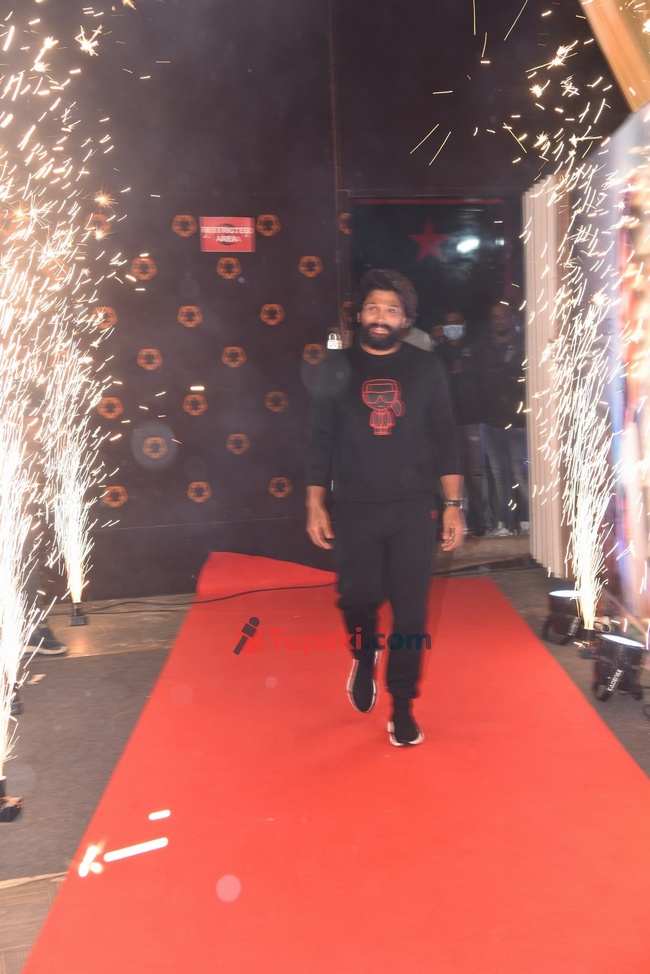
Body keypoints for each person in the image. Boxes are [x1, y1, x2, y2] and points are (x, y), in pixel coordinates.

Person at [305, 269, 464, 747]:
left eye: (391, 310)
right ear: (360, 314)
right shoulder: (336, 368)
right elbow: (320, 438)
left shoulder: (425, 368)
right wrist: (315, 503)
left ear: (406, 319)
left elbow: (444, 437)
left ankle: (402, 706)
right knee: (357, 600)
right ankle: (363, 652)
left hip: (413, 509)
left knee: (411, 613)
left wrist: (453, 504)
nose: (381, 317)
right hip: (355, 506)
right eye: (373, 307)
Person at [435, 310, 487, 536]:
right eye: (448, 323)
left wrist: (463, 370)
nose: (452, 327)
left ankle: (481, 521)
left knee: (475, 474)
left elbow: (481, 376)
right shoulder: (439, 352)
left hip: (472, 419)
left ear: (464, 324)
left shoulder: (473, 348)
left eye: (456, 323)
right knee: (450, 472)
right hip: (447, 421)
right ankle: (456, 520)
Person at [479, 302, 529, 536]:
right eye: (494, 316)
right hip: (491, 420)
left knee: (520, 473)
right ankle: (504, 524)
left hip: (517, 421)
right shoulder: (486, 347)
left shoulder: (523, 345)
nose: (498, 319)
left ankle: (527, 521)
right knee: (500, 474)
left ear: (512, 318)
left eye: (502, 315)